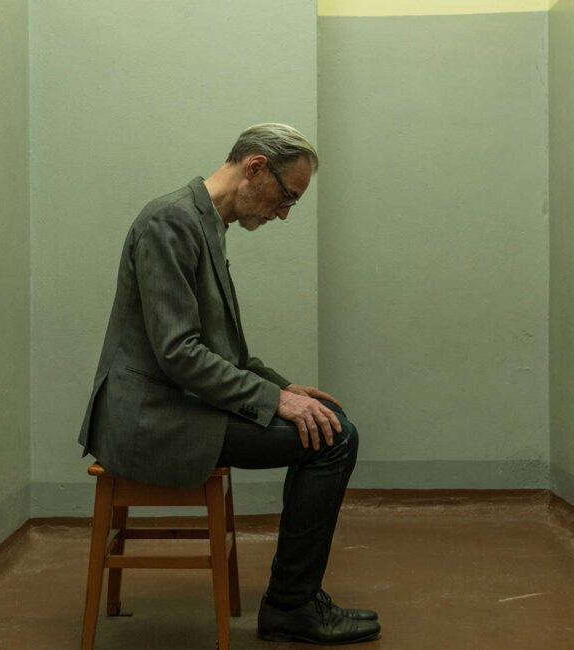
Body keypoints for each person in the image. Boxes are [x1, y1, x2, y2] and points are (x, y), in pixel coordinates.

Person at [78, 123, 381, 645]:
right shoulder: (170, 221)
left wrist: (285, 389)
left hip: (176, 404)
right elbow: (179, 353)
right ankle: (290, 606)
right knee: (334, 440)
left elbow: (227, 354)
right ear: (255, 167)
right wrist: (272, 401)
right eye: (287, 197)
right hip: (148, 420)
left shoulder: (206, 224)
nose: (283, 213)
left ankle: (294, 600)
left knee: (328, 422)